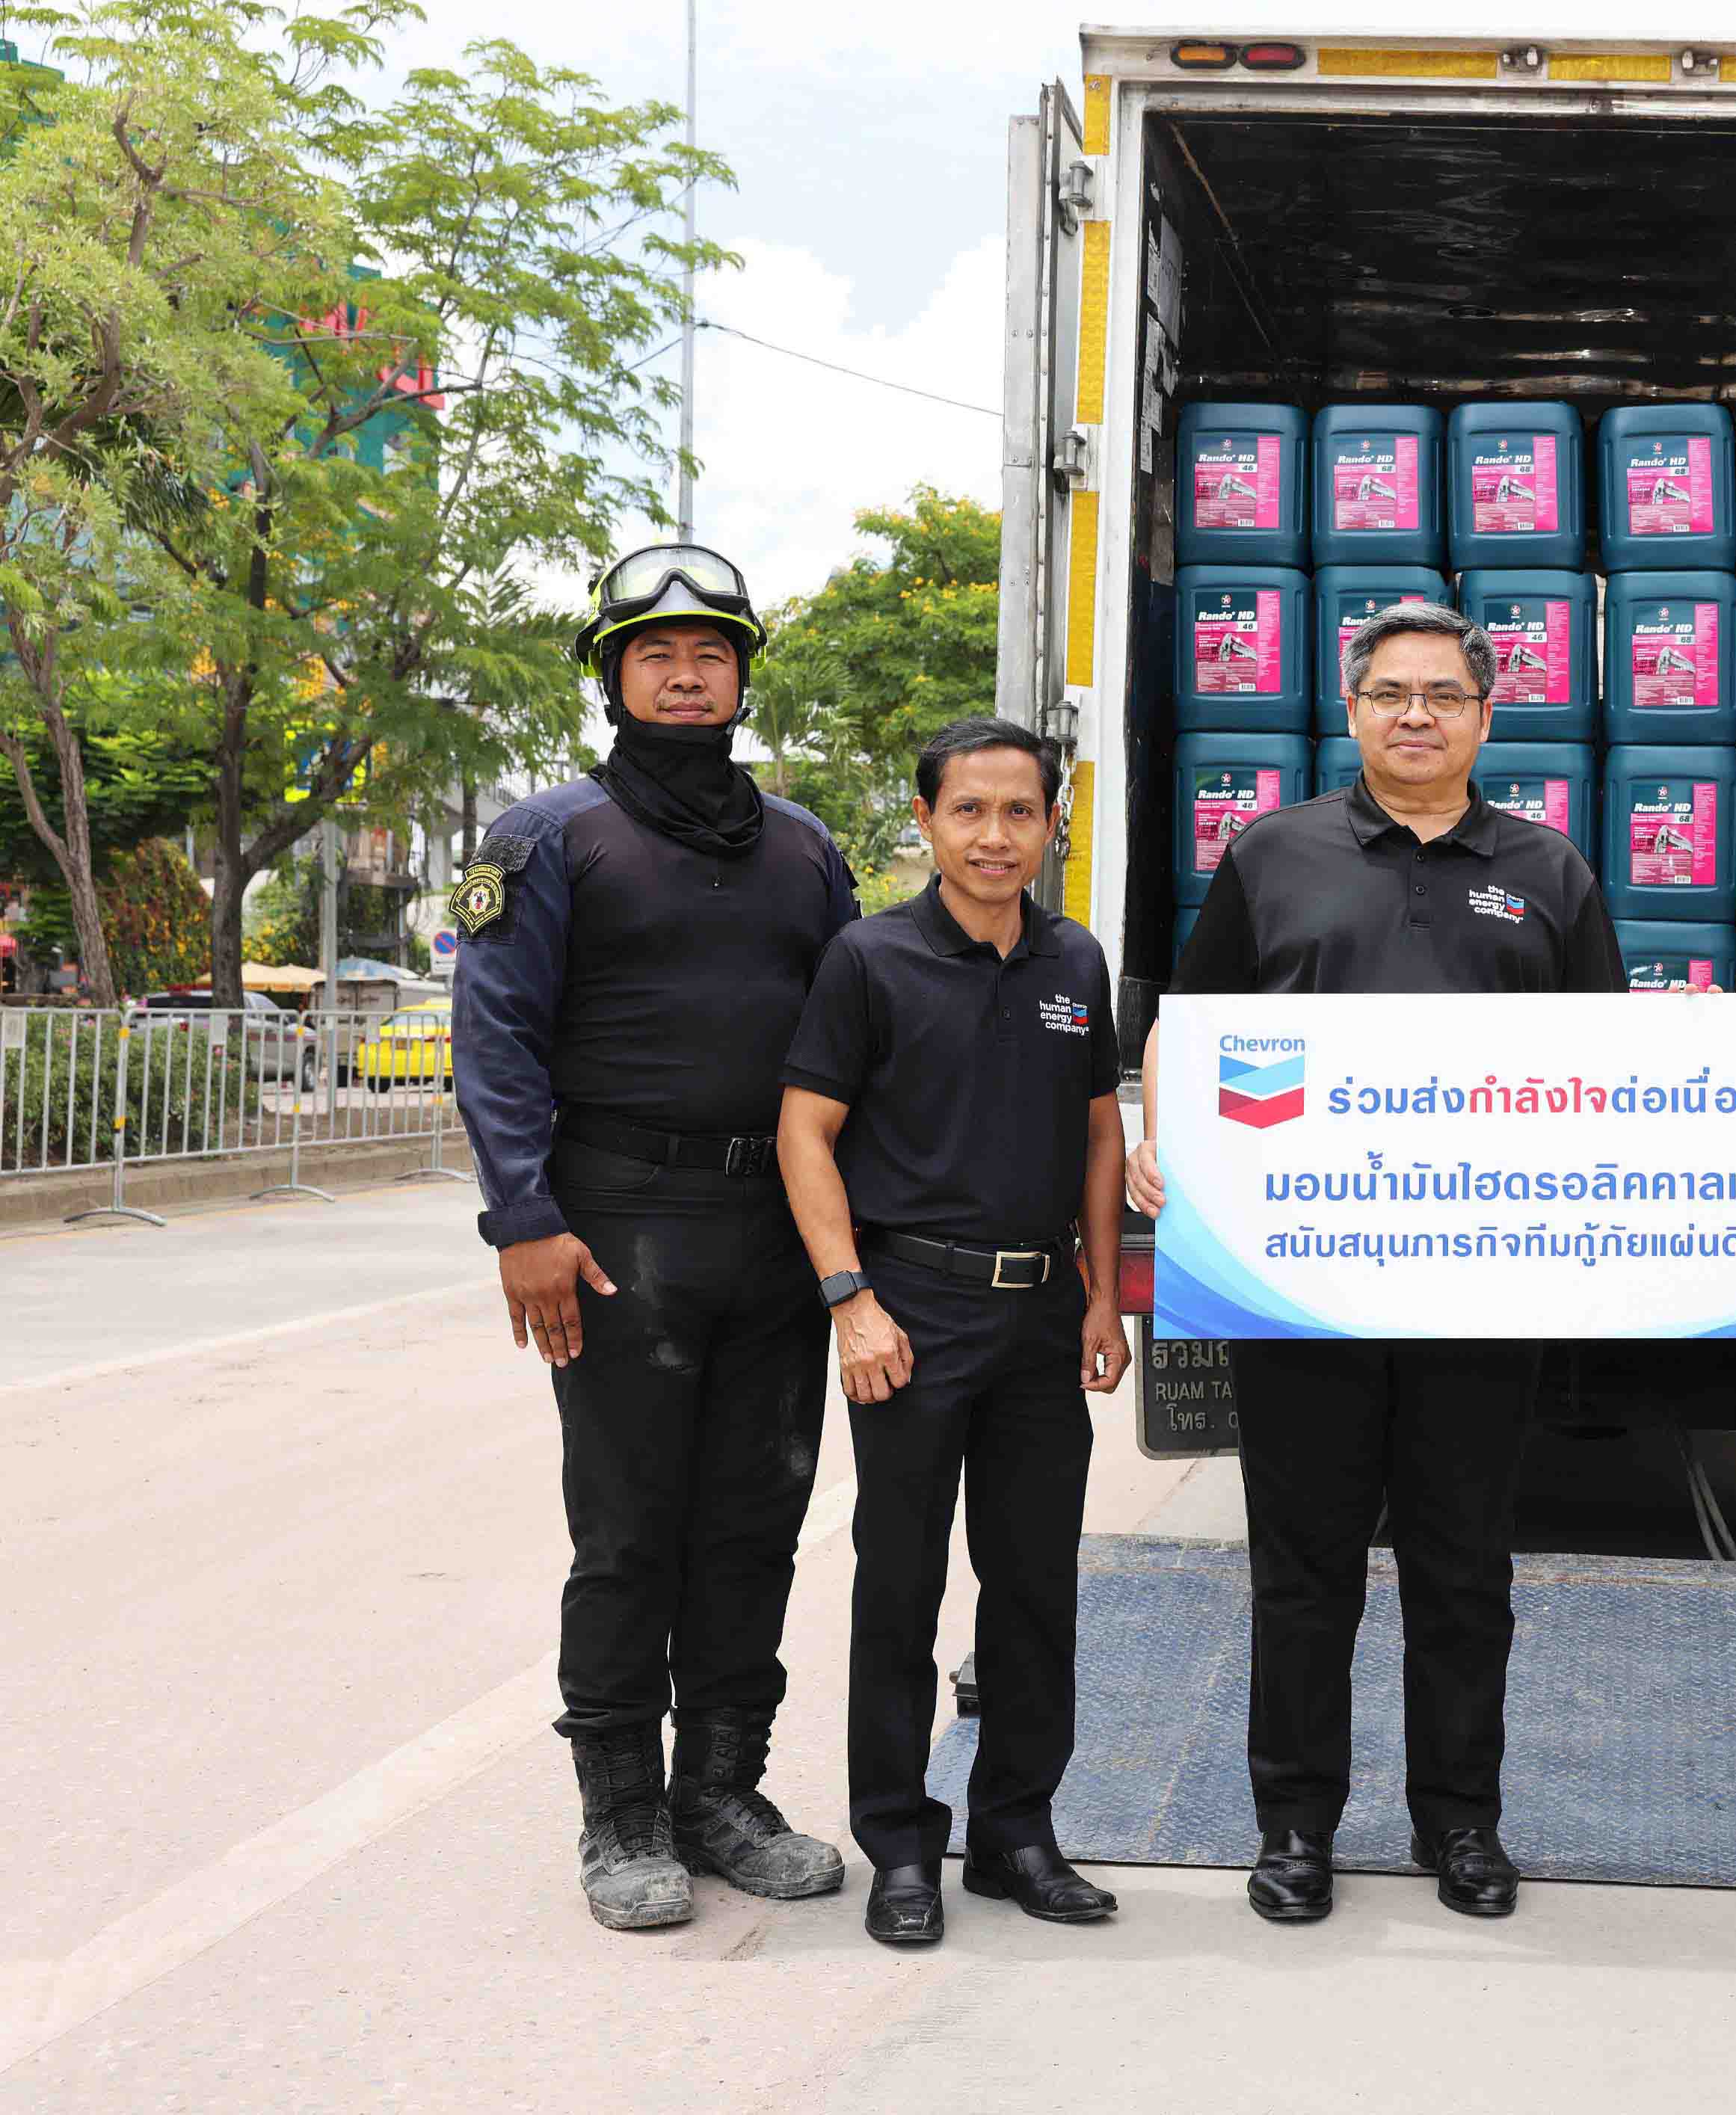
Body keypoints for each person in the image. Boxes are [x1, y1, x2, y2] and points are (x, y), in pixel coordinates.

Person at [1129, 599, 1626, 1924]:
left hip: (1480, 1281)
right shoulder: (1273, 854)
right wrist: (1165, 1142)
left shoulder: (1549, 870)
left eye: (1444, 695)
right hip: (1302, 1279)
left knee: (1464, 1568)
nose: (1417, 714)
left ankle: (1460, 1822)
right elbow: (1189, 1021)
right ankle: (1295, 1825)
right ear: (1349, 709)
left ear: (1484, 716)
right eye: (1392, 693)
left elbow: (1608, 1072)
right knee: (1304, 1565)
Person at [452, 545, 860, 1930]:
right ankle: (620, 1812)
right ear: (611, 676)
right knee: (629, 1528)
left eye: (711, 654)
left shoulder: (803, 846)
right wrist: (524, 1219)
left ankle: (722, 1794)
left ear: (743, 677)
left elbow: (856, 1037)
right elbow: (495, 1039)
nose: (687, 676)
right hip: (618, 1224)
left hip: (774, 1231)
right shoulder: (545, 838)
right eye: (657, 654)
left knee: (756, 1522)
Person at [776, 716, 1132, 1950]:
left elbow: (1099, 1132)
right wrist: (850, 1298)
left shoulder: (1075, 960)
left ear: (1051, 825)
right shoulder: (868, 959)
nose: (994, 835)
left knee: (1035, 1585)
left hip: (1040, 1315)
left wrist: (1101, 1294)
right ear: (925, 819)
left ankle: (1018, 1831)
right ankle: (899, 1843)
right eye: (968, 810)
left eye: (1019, 811)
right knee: (901, 1584)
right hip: (910, 1313)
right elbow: (806, 1131)